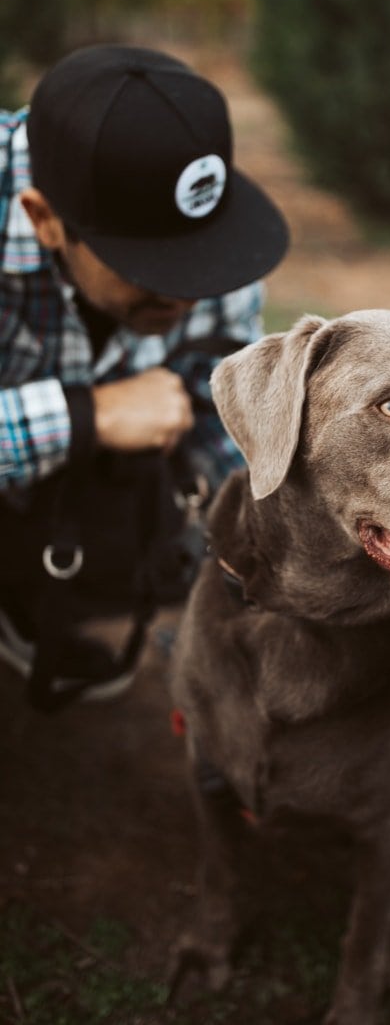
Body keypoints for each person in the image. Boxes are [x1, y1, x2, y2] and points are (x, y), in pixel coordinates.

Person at [0, 43, 289, 706]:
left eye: (201, 263)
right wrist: (87, 415)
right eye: (155, 272)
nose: (188, 298)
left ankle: (40, 589)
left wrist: (264, 542)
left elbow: (222, 415)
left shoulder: (212, 247)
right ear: (45, 220)